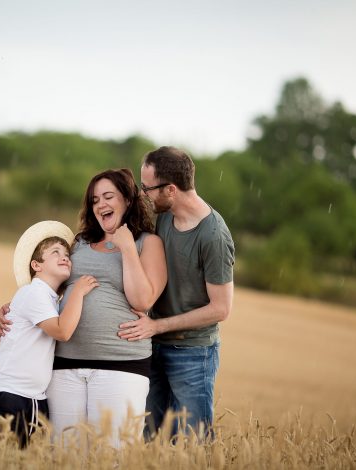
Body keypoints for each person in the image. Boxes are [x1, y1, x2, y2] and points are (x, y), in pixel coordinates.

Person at [0, 168, 167, 446]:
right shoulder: (79, 244)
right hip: (65, 364)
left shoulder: (148, 243)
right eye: (94, 199)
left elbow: (142, 300)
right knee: (66, 455)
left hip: (121, 364)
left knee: (113, 456)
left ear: (127, 200)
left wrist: (126, 247)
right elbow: (48, 289)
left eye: (108, 196)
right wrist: (14, 306)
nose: (100, 204)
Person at [117, 146, 235, 439]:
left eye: (148, 188)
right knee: (149, 438)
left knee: (194, 442)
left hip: (193, 352)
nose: (143, 194)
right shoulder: (165, 215)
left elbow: (221, 309)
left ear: (171, 189)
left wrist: (158, 325)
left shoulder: (213, 236)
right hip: (152, 345)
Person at [0, 220, 99, 447]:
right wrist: (79, 292)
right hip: (9, 395)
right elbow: (62, 331)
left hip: (27, 397)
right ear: (36, 265)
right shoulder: (34, 293)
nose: (65, 257)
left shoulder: (49, 299)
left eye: (66, 253)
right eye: (55, 252)